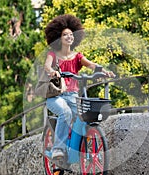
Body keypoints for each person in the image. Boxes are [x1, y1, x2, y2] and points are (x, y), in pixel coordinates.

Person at [44, 14, 115, 160]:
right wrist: (53, 72)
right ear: (58, 37)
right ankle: (58, 149)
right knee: (66, 113)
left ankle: (82, 150)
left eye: (71, 34)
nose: (69, 37)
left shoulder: (77, 56)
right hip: (56, 96)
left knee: (84, 118)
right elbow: (46, 66)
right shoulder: (53, 54)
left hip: (73, 96)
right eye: (65, 35)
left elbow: (91, 65)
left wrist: (103, 71)